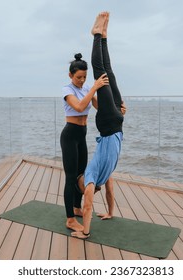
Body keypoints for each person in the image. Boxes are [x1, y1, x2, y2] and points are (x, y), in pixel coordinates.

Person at [71, 11, 125, 239]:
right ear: (84, 186)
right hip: (109, 124)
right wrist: (85, 231)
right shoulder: (93, 177)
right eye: (80, 182)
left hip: (118, 123)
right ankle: (96, 34)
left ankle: (103, 35)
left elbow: (110, 192)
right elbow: (88, 207)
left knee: (109, 72)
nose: (81, 177)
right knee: (100, 70)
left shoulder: (106, 175)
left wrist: (111, 212)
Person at [60, 53, 109, 232]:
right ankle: (70, 219)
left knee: (81, 175)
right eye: (78, 77)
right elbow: (80, 107)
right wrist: (93, 88)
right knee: (70, 177)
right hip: (70, 135)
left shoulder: (86, 88)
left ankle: (76, 207)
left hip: (82, 135)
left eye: (84, 77)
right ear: (70, 75)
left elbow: (99, 107)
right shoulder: (67, 90)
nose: (81, 80)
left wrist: (119, 107)